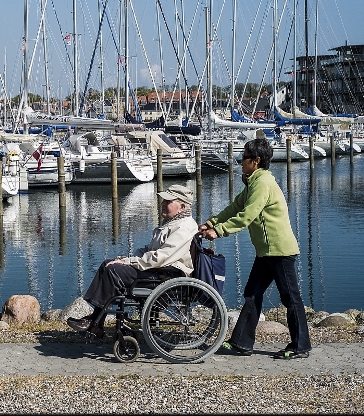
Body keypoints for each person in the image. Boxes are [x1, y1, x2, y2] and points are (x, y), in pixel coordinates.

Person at [199, 138, 312, 360]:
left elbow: (246, 216)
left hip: (280, 250)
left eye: (244, 158)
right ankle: (242, 343)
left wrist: (219, 231)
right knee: (252, 293)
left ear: (256, 161)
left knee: (290, 298)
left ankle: (300, 346)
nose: (241, 162)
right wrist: (211, 222)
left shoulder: (263, 183)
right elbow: (235, 207)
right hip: (266, 251)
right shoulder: (254, 182)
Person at [66, 184, 197, 339]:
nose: (162, 204)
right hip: (158, 270)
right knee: (108, 264)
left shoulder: (184, 227)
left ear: (182, 206)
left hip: (166, 275)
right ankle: (96, 321)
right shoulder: (173, 223)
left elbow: (161, 257)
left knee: (113, 270)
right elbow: (150, 250)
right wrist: (126, 259)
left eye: (167, 202)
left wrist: (131, 262)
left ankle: (95, 322)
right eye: (163, 201)